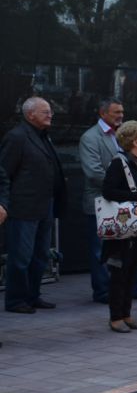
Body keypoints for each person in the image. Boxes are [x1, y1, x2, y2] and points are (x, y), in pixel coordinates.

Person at [79, 98, 137, 304]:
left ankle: (136, 287)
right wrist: (124, 187)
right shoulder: (90, 138)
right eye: (116, 112)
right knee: (100, 250)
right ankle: (103, 291)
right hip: (101, 204)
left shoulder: (125, 135)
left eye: (122, 112)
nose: (121, 115)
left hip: (127, 202)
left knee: (132, 244)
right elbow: (93, 172)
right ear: (103, 113)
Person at [2, 97, 67, 314]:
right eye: (45, 112)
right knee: (21, 257)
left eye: (50, 111)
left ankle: (32, 295)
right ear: (30, 115)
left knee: (40, 256)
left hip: (45, 206)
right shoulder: (17, 137)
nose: (50, 115)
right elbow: (4, 173)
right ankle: (16, 300)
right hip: (23, 208)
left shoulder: (43, 136)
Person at [100, 121, 137, 333]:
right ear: (135, 142)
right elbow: (108, 192)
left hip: (136, 229)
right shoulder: (119, 163)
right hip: (122, 231)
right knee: (119, 274)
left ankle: (126, 314)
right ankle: (115, 317)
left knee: (132, 271)